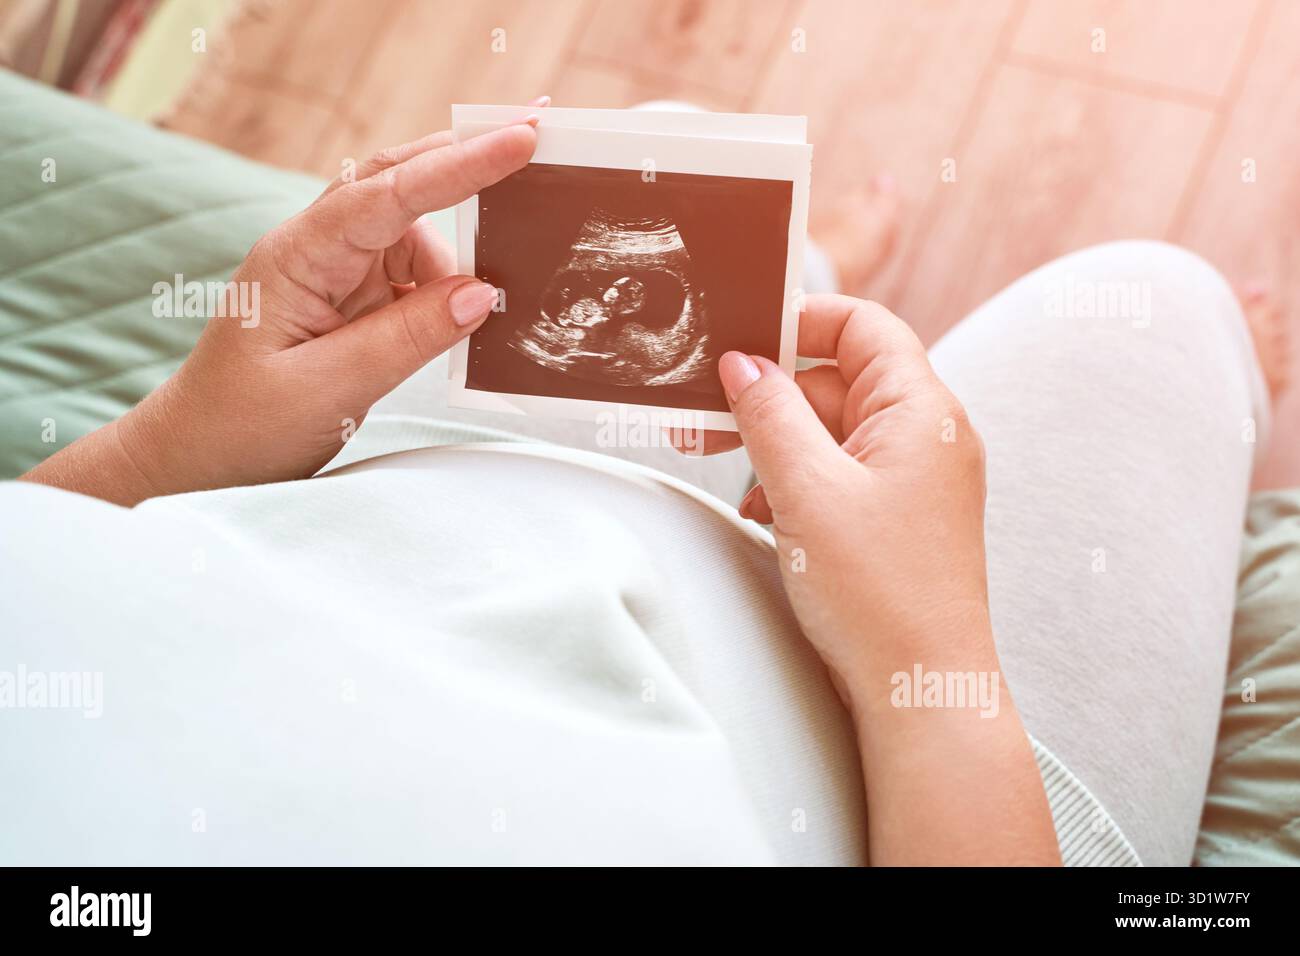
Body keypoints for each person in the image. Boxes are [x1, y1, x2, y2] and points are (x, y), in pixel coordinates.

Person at [3, 109, 1288, 866]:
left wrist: (172, 447)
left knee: (760, 332)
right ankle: (1202, 376)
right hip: (895, 776)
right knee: (1154, 305)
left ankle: (820, 248)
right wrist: (928, 658)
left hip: (426, 484)